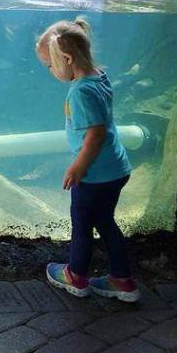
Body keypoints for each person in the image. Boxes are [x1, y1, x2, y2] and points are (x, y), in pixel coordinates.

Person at [36, 18, 139, 302]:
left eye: (50, 64)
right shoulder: (99, 77)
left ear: (67, 59)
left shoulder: (80, 91)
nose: (50, 70)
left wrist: (78, 166)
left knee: (81, 224)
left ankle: (76, 277)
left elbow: (95, 135)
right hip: (115, 168)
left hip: (95, 175)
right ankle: (122, 280)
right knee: (105, 222)